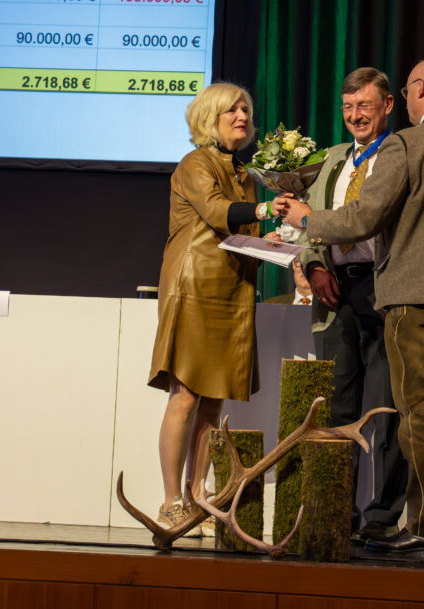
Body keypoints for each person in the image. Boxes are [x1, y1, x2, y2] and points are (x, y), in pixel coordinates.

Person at [275, 56, 424, 558]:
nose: (405, 99)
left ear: (418, 89)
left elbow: (366, 216)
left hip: (416, 300)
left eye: (403, 92)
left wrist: (309, 219)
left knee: (420, 416)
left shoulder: (407, 143)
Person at [147, 82, 272, 536]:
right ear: (209, 118)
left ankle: (198, 493)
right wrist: (265, 208)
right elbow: (219, 212)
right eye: (231, 110)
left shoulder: (244, 172)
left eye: (245, 108)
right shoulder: (195, 164)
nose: (242, 115)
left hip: (230, 289)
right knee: (185, 395)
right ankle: (170, 501)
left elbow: (238, 230)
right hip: (194, 287)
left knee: (212, 399)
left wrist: (269, 241)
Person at [294, 67, 406, 545]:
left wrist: (313, 225)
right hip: (335, 291)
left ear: (387, 106)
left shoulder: (400, 153)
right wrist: (315, 265)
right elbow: (310, 221)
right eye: (348, 108)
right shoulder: (336, 158)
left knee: (385, 409)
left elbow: (368, 219)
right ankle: (337, 510)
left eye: (364, 105)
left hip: (383, 290)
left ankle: (381, 517)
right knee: (337, 406)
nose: (356, 116)